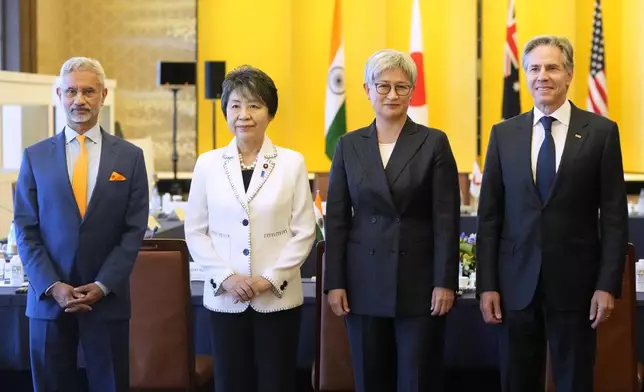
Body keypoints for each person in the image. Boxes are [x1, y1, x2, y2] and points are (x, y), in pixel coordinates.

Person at [476, 35, 628, 392]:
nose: (542, 75)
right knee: (517, 382)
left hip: (576, 288)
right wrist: (488, 285)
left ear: (569, 73)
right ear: (526, 74)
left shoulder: (601, 133)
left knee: (575, 380)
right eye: (534, 68)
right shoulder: (503, 134)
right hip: (515, 288)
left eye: (552, 67)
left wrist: (607, 285)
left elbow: (615, 218)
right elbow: (489, 218)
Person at [324, 49, 461, 392]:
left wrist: (445, 281)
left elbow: (446, 219)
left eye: (401, 87)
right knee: (371, 379)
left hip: (419, 282)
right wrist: (334, 281)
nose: (392, 95)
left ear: (412, 92)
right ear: (367, 90)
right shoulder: (348, 145)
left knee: (417, 380)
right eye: (382, 86)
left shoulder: (433, 142)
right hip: (362, 282)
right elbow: (337, 219)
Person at [14, 57, 149, 392]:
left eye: (88, 91)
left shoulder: (130, 157)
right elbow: (26, 228)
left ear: (103, 95)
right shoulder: (35, 156)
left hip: (107, 299)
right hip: (48, 300)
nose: (80, 99)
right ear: (59, 94)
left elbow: (133, 230)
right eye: (71, 91)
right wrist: (52, 285)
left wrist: (103, 285)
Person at [184, 65, 316, 392]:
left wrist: (269, 278)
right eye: (235, 106)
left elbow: (304, 231)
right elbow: (195, 230)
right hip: (225, 298)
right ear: (226, 112)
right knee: (231, 383)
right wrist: (226, 277)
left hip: (277, 297)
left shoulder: (292, 163)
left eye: (254, 105)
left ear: (270, 113)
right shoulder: (207, 163)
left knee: (277, 382)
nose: (244, 114)